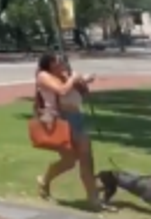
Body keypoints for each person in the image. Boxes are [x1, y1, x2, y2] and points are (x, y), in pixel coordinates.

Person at [35, 52, 100, 208]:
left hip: (76, 117)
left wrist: (82, 81)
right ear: (50, 64)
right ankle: (44, 180)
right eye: (58, 61)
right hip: (60, 120)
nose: (63, 64)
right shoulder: (44, 75)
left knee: (86, 158)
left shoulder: (63, 75)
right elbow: (62, 91)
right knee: (69, 161)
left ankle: (93, 199)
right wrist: (73, 78)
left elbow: (75, 92)